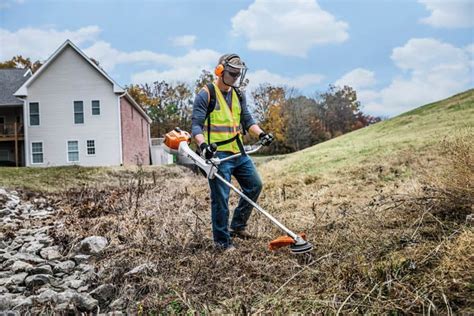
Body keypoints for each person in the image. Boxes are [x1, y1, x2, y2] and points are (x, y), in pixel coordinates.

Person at [191, 54, 274, 251]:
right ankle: (222, 242)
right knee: (221, 198)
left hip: (238, 152)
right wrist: (204, 147)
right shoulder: (206, 94)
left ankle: (237, 226)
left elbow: (247, 120)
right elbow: (196, 126)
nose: (236, 77)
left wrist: (261, 134)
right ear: (220, 71)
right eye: (232, 73)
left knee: (255, 185)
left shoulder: (238, 94)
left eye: (238, 74)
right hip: (218, 156)